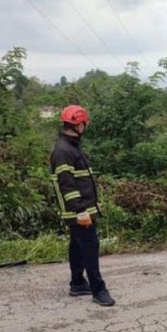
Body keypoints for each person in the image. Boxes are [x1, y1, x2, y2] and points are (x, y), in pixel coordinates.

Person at [50, 105, 115, 306]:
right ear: (79, 124)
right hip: (78, 209)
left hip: (83, 207)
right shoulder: (63, 151)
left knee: (77, 246)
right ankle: (98, 290)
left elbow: (81, 180)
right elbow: (67, 184)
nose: (85, 127)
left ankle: (77, 283)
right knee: (90, 246)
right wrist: (80, 211)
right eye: (84, 123)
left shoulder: (72, 147)